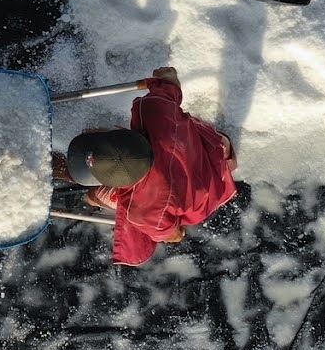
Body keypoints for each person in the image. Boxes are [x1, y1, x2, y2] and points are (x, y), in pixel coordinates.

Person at [57, 67, 237, 266]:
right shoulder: (155, 112)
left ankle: (75, 185)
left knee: (93, 197)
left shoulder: (146, 211)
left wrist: (176, 234)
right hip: (213, 149)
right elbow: (169, 88)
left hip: (213, 183)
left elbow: (170, 234)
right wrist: (165, 77)